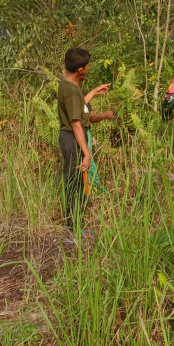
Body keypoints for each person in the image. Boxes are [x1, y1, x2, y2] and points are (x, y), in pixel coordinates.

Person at [57, 47, 114, 234]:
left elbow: (80, 108)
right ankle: (73, 229)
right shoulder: (72, 91)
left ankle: (75, 224)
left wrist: (95, 92)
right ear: (80, 69)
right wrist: (87, 152)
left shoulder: (67, 84)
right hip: (72, 138)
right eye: (88, 65)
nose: (89, 68)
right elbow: (75, 123)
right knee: (74, 183)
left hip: (70, 137)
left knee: (77, 181)